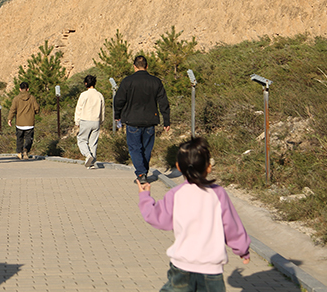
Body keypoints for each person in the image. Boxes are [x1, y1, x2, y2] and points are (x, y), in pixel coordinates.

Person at [138, 137, 250, 292]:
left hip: (182, 265)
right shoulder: (218, 194)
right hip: (212, 269)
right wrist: (242, 249)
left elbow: (158, 218)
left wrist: (145, 197)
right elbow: (231, 226)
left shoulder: (176, 194)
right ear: (209, 167)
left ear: (178, 166)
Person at [114, 55, 170, 184]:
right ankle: (143, 172)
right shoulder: (156, 81)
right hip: (150, 120)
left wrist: (117, 115)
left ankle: (141, 173)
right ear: (147, 66)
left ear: (134, 66)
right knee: (146, 148)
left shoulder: (127, 81)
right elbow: (163, 102)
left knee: (135, 148)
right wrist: (166, 121)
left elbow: (119, 100)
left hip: (133, 120)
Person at [74, 75, 105, 169]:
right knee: (93, 142)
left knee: (82, 140)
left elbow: (79, 108)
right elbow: (102, 110)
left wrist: (77, 120)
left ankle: (88, 155)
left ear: (86, 83)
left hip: (85, 120)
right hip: (96, 121)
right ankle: (92, 163)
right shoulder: (99, 95)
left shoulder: (84, 95)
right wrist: (101, 120)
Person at [7, 81, 40, 160]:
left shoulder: (16, 98)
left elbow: (12, 110)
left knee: (19, 138)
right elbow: (37, 108)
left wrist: (9, 119)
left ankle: (19, 153)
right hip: (29, 122)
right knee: (29, 138)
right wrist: (35, 113)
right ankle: (26, 150)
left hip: (19, 123)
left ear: (20, 89)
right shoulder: (32, 98)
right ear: (27, 89)